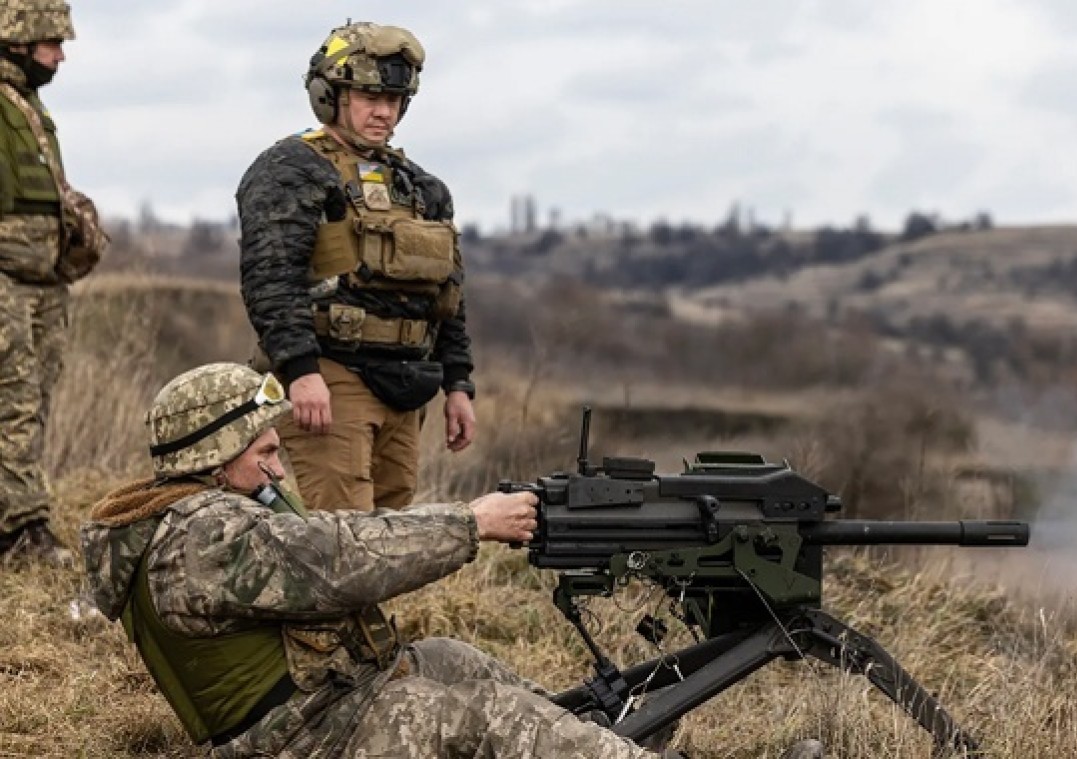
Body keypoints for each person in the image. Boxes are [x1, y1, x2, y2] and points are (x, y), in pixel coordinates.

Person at [79, 362, 823, 759]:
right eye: (265, 452)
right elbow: (341, 557)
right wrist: (473, 523)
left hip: (315, 713)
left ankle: (597, 746)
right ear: (213, 459)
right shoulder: (205, 537)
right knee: (472, 716)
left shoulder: (188, 521)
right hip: (297, 743)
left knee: (446, 658)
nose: (278, 470)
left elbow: (322, 546)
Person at [237, 21, 475, 514]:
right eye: (369, 96)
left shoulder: (420, 187)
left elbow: (448, 296)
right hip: (331, 372)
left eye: (394, 98)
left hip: (407, 383)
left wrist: (458, 384)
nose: (384, 111)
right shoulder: (292, 169)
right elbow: (270, 279)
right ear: (331, 95)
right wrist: (301, 371)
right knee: (343, 532)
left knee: (392, 531)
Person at [0, 0, 105, 566]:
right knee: (10, 402)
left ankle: (19, 514)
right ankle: (19, 532)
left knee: (34, 400)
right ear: (17, 39)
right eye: (51, 43)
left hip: (42, 282)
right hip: (5, 281)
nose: (60, 55)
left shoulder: (29, 108)